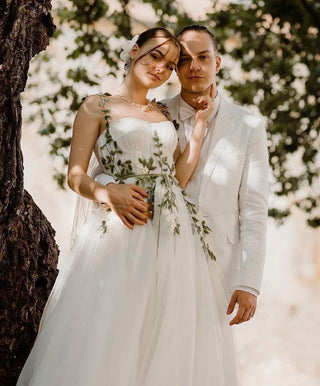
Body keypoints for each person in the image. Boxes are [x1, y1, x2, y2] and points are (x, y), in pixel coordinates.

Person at [18, 27, 238, 385]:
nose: (161, 69)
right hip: (121, 231)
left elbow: (177, 178)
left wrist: (198, 126)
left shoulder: (164, 114)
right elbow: (75, 175)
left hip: (171, 234)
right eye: (155, 56)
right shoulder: (97, 106)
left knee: (163, 328)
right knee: (113, 324)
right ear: (135, 50)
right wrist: (108, 192)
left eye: (169, 65)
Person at [95, 25, 269, 326]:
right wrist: (111, 190)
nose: (195, 67)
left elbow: (254, 209)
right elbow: (107, 164)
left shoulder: (249, 125)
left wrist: (249, 282)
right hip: (149, 250)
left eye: (203, 57)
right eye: (185, 60)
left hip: (216, 265)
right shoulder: (153, 113)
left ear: (217, 62)